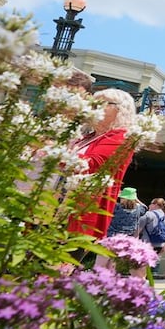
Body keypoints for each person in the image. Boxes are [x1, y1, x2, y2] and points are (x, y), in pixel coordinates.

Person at [68, 89, 137, 243]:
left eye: (103, 103)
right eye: (93, 103)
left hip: (83, 213)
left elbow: (93, 165)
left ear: (120, 110)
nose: (94, 107)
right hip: (55, 207)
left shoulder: (121, 137)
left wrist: (58, 153)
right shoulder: (87, 137)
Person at [134, 197, 165, 270]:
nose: (149, 205)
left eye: (151, 203)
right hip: (160, 245)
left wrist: (134, 243)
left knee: (142, 268)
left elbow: (138, 230)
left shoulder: (149, 214)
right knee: (153, 265)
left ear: (156, 205)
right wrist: (164, 245)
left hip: (147, 245)